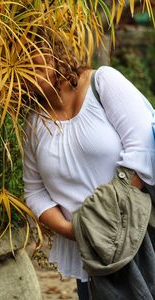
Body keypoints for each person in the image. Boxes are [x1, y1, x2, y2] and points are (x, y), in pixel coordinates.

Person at [23, 33, 155, 299]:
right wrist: (74, 230)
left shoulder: (102, 82)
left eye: (30, 52)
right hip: (91, 256)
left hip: (141, 233)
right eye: (16, 59)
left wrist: (105, 216)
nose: (24, 63)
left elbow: (143, 148)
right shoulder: (34, 124)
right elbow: (34, 191)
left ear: (52, 49)